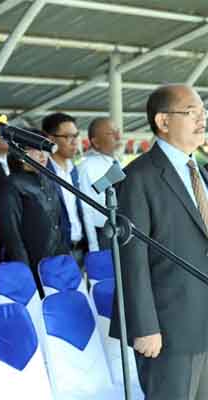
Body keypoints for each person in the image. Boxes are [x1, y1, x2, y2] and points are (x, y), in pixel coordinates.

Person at [110, 84, 208, 399]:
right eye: (192, 113)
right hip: (168, 329)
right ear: (163, 122)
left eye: (203, 113)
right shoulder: (138, 177)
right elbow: (131, 257)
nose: (201, 120)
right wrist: (144, 326)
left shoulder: (200, 171)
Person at [0, 129, 70, 295]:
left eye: (44, 149)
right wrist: (25, 273)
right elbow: (11, 233)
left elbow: (60, 222)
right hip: (31, 267)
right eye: (35, 149)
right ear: (19, 152)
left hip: (56, 265)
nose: (42, 155)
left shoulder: (49, 180)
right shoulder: (11, 185)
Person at [42, 112, 98, 264]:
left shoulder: (74, 171)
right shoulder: (43, 173)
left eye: (76, 136)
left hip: (81, 249)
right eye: (68, 137)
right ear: (51, 139)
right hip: (56, 254)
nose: (74, 142)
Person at [77, 117, 122, 249]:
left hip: (118, 229)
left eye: (117, 131)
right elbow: (87, 207)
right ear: (95, 142)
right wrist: (93, 245)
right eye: (111, 133)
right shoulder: (87, 167)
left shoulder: (114, 162)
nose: (118, 136)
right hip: (102, 234)